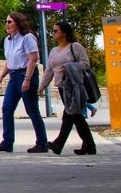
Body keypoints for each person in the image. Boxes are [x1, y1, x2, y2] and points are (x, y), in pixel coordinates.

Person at [0, 12, 49, 154]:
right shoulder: (7, 40)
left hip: (25, 74)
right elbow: (10, 61)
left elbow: (32, 59)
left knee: (32, 110)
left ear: (18, 23)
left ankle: (42, 143)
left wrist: (27, 79)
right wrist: (0, 76)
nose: (7, 24)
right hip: (13, 75)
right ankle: (7, 141)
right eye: (6, 21)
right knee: (7, 108)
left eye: (10, 22)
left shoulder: (27, 38)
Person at [39, 21, 96, 155]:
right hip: (62, 87)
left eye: (55, 31)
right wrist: (42, 85)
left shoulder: (75, 47)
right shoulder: (53, 51)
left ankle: (58, 144)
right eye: (52, 31)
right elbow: (49, 70)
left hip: (74, 87)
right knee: (76, 117)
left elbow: (85, 63)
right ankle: (89, 146)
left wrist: (69, 68)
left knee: (69, 115)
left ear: (64, 33)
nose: (53, 33)